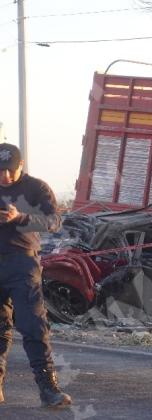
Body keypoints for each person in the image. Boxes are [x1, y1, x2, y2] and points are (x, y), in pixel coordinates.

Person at [0, 143, 71, 407]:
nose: (4, 177)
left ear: (20, 166)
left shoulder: (35, 188)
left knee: (33, 326)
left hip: (22, 264)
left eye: (9, 171)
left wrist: (19, 218)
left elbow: (53, 222)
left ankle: (48, 389)